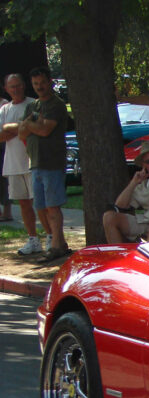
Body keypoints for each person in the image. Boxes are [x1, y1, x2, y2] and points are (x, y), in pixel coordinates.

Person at [11, 67, 70, 262]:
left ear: (49, 81)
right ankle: (59, 243)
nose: (39, 87)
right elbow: (21, 133)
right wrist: (31, 125)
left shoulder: (56, 104)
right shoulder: (32, 106)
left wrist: (29, 125)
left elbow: (45, 131)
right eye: (36, 84)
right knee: (41, 207)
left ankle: (56, 247)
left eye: (42, 83)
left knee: (53, 206)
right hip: (34, 162)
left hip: (51, 161)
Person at [0, 74, 39, 255]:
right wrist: (22, 127)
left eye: (18, 85)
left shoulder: (34, 104)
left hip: (33, 161)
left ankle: (52, 238)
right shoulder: (4, 109)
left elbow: (35, 128)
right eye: (11, 87)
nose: (15, 89)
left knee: (41, 203)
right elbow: (2, 135)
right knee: (23, 203)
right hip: (13, 163)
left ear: (24, 85)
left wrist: (11, 128)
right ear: (6, 89)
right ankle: (33, 239)